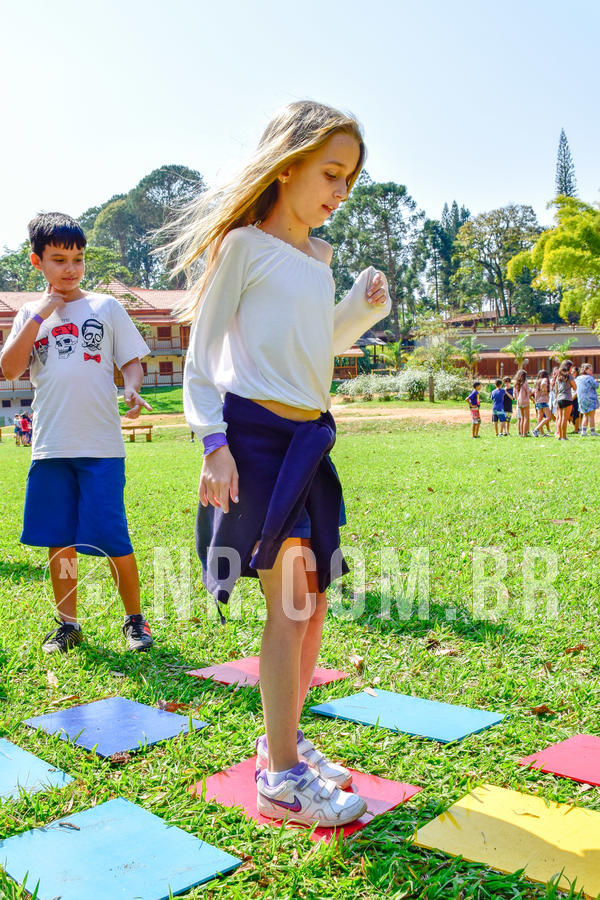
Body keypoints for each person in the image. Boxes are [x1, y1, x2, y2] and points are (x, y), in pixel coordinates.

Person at [173, 101, 391, 828]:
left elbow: (314, 351)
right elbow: (202, 358)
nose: (339, 191)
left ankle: (284, 743)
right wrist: (212, 443)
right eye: (331, 172)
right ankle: (282, 778)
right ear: (287, 164)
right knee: (291, 603)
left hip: (310, 439)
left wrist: (360, 310)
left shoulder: (315, 261)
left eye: (351, 180)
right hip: (255, 438)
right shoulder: (244, 247)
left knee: (315, 604)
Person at [0, 212, 155, 654]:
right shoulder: (30, 314)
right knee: (59, 541)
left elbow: (131, 359)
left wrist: (130, 385)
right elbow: (10, 368)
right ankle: (68, 624)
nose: (70, 269)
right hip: (50, 448)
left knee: (112, 537)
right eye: (58, 259)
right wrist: (41, 313)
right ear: (37, 262)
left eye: (78, 259)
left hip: (101, 448)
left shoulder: (105, 306)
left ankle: (134, 620)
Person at [554, 359, 577, 441]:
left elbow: (556, 390)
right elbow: (575, 387)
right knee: (565, 418)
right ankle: (564, 437)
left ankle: (560, 436)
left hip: (559, 399)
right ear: (568, 367)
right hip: (567, 398)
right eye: (571, 367)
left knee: (560, 418)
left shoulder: (558, 377)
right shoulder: (569, 377)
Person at [576, 363, 599, 436]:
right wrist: (595, 380)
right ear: (585, 370)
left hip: (581, 399)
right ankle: (592, 431)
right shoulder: (589, 378)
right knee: (591, 415)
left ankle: (583, 431)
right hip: (590, 398)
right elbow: (596, 386)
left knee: (585, 415)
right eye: (590, 370)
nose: (591, 371)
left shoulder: (578, 378)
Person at [533, 369, 552, 436]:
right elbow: (544, 384)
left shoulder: (536, 381)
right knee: (549, 417)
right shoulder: (544, 380)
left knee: (540, 417)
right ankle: (536, 430)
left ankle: (542, 433)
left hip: (537, 401)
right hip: (543, 401)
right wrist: (545, 390)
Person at [514, 369, 533, 436]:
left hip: (519, 402)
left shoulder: (516, 384)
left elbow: (515, 394)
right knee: (526, 418)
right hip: (525, 401)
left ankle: (522, 432)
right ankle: (524, 433)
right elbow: (528, 392)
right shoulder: (525, 383)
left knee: (522, 418)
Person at [570, 365, 581, 433]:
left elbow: (578, 391)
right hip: (569, 398)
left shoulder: (578, 380)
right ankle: (577, 427)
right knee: (569, 415)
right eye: (571, 371)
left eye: (574, 372)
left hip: (575, 398)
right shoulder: (570, 379)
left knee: (576, 414)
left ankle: (576, 429)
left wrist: (572, 398)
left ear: (577, 372)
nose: (572, 373)